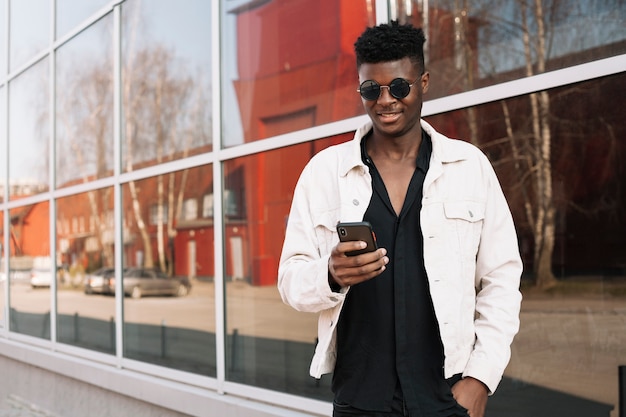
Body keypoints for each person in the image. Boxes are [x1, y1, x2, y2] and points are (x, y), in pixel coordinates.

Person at [278, 20, 522, 417]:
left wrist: (480, 378)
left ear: (423, 81)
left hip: (446, 397)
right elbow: (289, 280)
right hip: (360, 398)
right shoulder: (324, 173)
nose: (385, 100)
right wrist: (329, 274)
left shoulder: (469, 167)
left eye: (400, 87)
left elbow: (502, 279)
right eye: (371, 89)